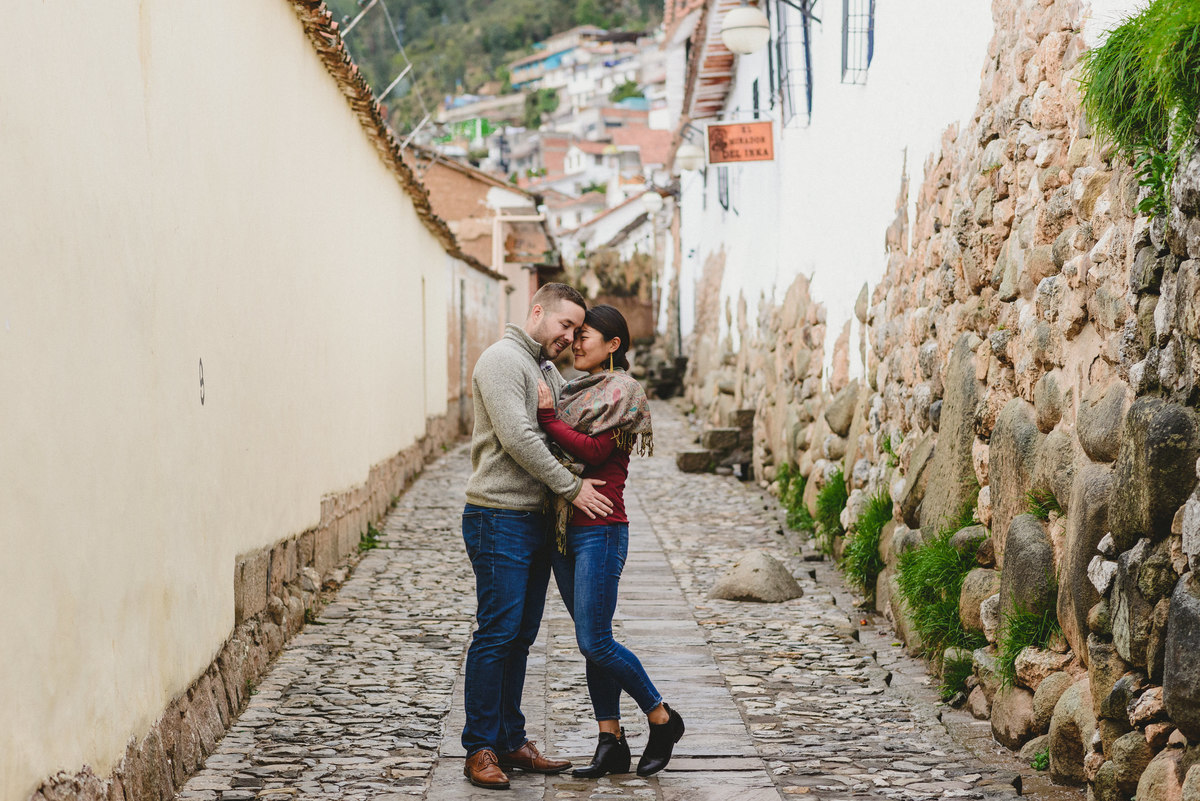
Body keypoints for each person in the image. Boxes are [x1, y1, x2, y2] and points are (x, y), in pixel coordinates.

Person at [461, 283, 615, 791]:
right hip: (498, 516)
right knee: (497, 633)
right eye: (564, 324)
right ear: (536, 312)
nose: (569, 336)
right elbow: (519, 438)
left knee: (521, 637)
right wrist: (572, 487)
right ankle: (480, 748)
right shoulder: (503, 361)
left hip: (534, 519)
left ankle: (510, 739)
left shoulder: (545, 368)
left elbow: (566, 422)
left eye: (576, 329)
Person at [536, 305, 685, 779]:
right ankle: (611, 742)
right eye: (574, 334)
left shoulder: (622, 392)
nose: (575, 343)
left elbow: (595, 450)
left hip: (601, 530)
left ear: (613, 344)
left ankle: (661, 717)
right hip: (565, 529)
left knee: (595, 640)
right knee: (592, 642)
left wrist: (546, 418)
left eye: (586, 335)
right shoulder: (572, 390)